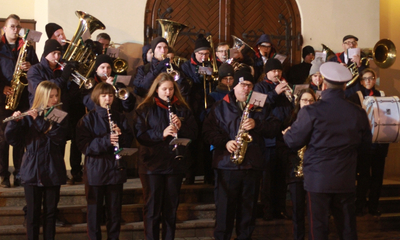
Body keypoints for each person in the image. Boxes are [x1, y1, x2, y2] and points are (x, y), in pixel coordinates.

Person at [283, 62, 372, 240]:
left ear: (323, 84)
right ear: (345, 85)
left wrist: (287, 134)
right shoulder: (358, 112)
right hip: (345, 178)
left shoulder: (311, 111)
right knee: (347, 229)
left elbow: (293, 141)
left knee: (319, 228)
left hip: (318, 180)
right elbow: (365, 147)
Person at [203, 69, 280, 240]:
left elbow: (274, 127)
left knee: (248, 212)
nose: (246, 89)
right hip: (227, 166)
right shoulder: (220, 106)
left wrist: (257, 124)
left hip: (252, 165)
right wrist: (225, 142)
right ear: (234, 85)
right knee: (224, 212)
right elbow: (208, 132)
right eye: (242, 85)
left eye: (249, 85)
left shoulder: (260, 104)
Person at [133, 72, 197, 240]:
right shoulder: (145, 108)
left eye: (170, 89)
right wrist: (161, 133)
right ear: (156, 90)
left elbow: (194, 134)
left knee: (170, 209)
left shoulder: (182, 108)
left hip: (174, 164)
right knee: (152, 209)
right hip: (151, 164)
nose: (168, 93)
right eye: (164, 89)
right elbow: (140, 134)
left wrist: (181, 126)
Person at [5, 81, 68, 240]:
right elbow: (13, 140)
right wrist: (14, 122)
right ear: (41, 97)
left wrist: (38, 120)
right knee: (32, 215)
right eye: (51, 96)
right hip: (32, 169)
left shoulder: (57, 114)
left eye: (56, 96)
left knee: (50, 213)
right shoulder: (29, 114)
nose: (54, 100)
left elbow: (58, 137)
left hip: (53, 168)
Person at [76, 82, 134, 240]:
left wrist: (121, 136)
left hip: (115, 169)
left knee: (114, 213)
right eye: (103, 96)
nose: (107, 98)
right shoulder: (87, 119)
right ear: (97, 97)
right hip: (96, 171)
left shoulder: (120, 117)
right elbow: (84, 146)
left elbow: (129, 141)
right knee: (94, 213)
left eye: (110, 95)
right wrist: (106, 140)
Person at [0, 14, 39, 188]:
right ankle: (3, 174)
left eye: (18, 27)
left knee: (19, 138)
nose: (16, 30)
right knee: (2, 140)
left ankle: (18, 172)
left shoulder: (27, 47)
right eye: (12, 27)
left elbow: (37, 68)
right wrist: (2, 88)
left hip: (21, 97)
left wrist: (30, 67)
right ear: (4, 28)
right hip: (3, 98)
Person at [254, 58, 293, 220]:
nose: (277, 73)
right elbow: (257, 107)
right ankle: (267, 210)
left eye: (279, 71)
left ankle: (281, 208)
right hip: (268, 139)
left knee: (282, 177)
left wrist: (291, 97)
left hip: (284, 138)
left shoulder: (285, 86)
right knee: (268, 178)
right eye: (273, 71)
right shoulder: (260, 87)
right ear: (267, 72)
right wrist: (275, 93)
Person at [349, 68, 389, 217]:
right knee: (363, 177)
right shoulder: (355, 97)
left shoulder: (382, 95)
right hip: (364, 145)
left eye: (371, 78)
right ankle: (359, 206)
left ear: (375, 79)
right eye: (365, 78)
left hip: (379, 143)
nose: (368, 81)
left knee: (377, 177)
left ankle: (373, 206)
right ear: (361, 81)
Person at [278, 88, 316, 240]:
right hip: (296, 171)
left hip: (313, 171)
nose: (307, 103)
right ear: (298, 102)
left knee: (313, 212)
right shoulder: (290, 121)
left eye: (311, 100)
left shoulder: (319, 120)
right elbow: (282, 147)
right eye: (304, 100)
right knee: (297, 211)